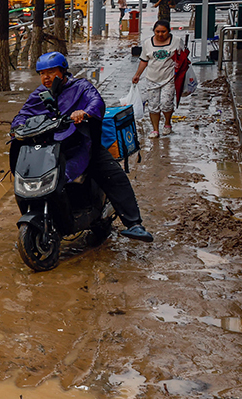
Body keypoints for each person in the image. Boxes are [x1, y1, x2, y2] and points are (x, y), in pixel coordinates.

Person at [11, 52, 155, 242]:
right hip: (52, 149)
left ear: (62, 71)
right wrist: (17, 127)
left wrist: (84, 113)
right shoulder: (39, 95)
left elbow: (96, 102)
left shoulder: (81, 87)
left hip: (81, 144)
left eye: (51, 72)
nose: (46, 77)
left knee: (114, 175)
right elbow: (22, 115)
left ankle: (134, 223)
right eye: (42, 73)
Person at [132, 20, 183, 138]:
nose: (160, 34)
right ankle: (155, 129)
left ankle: (167, 123)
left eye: (163, 32)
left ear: (169, 31)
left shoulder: (177, 41)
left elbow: (183, 59)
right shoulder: (147, 43)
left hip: (169, 79)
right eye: (157, 32)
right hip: (152, 78)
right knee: (153, 105)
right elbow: (144, 61)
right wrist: (137, 75)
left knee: (166, 103)